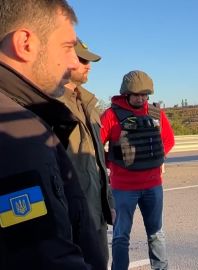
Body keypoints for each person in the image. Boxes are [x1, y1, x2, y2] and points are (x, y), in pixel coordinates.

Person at [0, 0, 102, 269]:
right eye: (68, 47)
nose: (72, 63)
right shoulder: (15, 132)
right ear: (26, 43)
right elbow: (42, 257)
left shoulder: (29, 115)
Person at [101, 70, 175, 270]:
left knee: (156, 233)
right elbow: (96, 145)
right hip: (123, 188)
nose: (141, 98)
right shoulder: (110, 115)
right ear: (126, 93)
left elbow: (168, 140)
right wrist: (112, 162)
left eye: (145, 94)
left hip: (153, 186)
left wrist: (153, 158)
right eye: (137, 95)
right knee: (120, 235)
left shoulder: (155, 113)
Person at [57, 37, 115, 268]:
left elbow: (97, 161)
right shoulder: (50, 105)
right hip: (70, 218)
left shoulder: (88, 104)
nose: (88, 65)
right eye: (82, 60)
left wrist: (108, 201)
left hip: (95, 214)